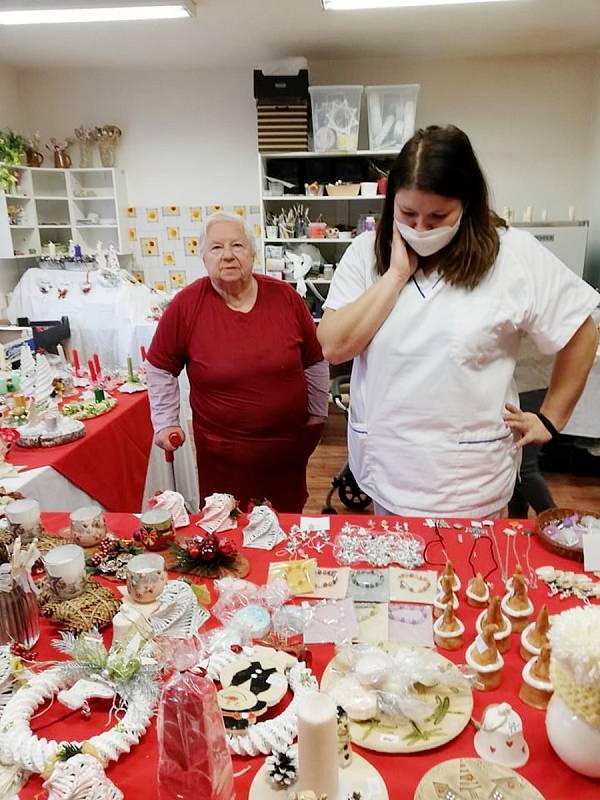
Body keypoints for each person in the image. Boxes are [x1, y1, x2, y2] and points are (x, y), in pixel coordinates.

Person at [317, 125, 599, 518]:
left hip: (471, 483)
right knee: (400, 578)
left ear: (466, 205)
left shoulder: (511, 253)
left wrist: (551, 419)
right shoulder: (367, 253)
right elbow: (333, 346)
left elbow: (581, 332)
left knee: (470, 579)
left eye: (437, 217)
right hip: (387, 473)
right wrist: (396, 275)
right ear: (390, 203)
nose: (420, 229)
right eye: (408, 214)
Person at [145, 211, 328, 512]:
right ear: (204, 257)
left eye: (238, 246)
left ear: (253, 253)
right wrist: (166, 421)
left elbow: (314, 362)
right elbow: (160, 366)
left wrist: (317, 415)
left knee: (284, 525)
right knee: (227, 530)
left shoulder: (286, 298)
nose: (228, 255)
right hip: (222, 456)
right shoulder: (186, 305)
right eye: (217, 248)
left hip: (286, 451)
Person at [508, 337, 556, 518]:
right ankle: (517, 523)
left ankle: (557, 523)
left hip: (529, 384)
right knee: (516, 463)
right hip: (523, 382)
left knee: (524, 467)